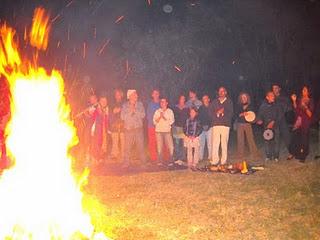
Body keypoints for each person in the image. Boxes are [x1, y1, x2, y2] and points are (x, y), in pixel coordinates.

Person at [288, 86, 314, 162]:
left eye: (305, 90)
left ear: (308, 92)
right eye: (303, 89)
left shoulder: (311, 101)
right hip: (298, 121)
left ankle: (303, 156)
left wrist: (305, 106)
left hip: (305, 122)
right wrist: (294, 101)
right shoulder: (299, 99)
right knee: (295, 137)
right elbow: (296, 109)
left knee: (304, 139)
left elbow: (310, 114)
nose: (303, 91)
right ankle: (295, 153)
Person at [121, 89, 146, 168]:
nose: (137, 96)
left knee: (141, 147)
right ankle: (126, 163)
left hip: (138, 129)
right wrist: (130, 111)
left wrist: (135, 110)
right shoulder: (125, 105)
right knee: (127, 148)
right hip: (128, 129)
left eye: (136, 94)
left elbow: (143, 115)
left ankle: (143, 163)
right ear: (130, 96)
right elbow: (122, 117)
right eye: (135, 94)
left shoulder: (140, 104)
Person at [211, 87, 233, 166]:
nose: (221, 92)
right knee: (215, 143)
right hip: (216, 124)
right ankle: (215, 160)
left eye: (223, 91)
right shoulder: (214, 102)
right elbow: (211, 112)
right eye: (220, 91)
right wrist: (217, 113)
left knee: (224, 143)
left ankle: (223, 160)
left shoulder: (229, 102)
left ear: (225, 92)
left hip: (225, 125)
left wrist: (223, 113)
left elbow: (231, 113)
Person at [256, 91, 281, 162]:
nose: (273, 97)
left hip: (275, 126)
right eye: (271, 96)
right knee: (267, 141)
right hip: (266, 127)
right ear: (267, 97)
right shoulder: (263, 106)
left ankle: (276, 156)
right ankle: (268, 156)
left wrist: (273, 121)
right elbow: (259, 116)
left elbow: (280, 115)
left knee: (276, 141)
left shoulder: (277, 105)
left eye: (273, 96)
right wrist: (259, 120)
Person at [235, 92, 259, 158]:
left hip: (248, 124)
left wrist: (253, 118)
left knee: (250, 139)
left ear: (247, 98)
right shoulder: (238, 105)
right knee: (240, 139)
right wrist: (242, 114)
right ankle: (240, 154)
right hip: (240, 124)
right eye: (242, 97)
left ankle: (254, 153)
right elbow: (236, 115)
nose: (244, 98)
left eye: (245, 97)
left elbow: (253, 115)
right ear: (240, 98)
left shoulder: (251, 105)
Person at [153, 97, 175, 166]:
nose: (162, 103)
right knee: (159, 147)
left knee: (171, 147)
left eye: (164, 101)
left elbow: (171, 121)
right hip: (159, 131)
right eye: (161, 102)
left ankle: (171, 161)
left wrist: (164, 117)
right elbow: (154, 122)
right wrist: (160, 116)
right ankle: (160, 161)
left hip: (167, 131)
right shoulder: (157, 111)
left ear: (167, 103)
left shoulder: (170, 111)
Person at [272, 84, 292, 153]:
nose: (274, 90)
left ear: (279, 89)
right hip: (274, 121)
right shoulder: (271, 98)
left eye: (276, 88)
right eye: (273, 88)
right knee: (275, 138)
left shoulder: (284, 98)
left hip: (283, 120)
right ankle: (275, 155)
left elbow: (289, 108)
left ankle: (291, 152)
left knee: (287, 137)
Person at [91, 96, 109, 163]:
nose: (104, 102)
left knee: (103, 144)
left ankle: (101, 158)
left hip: (103, 130)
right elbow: (93, 118)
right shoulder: (96, 109)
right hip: (97, 130)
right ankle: (96, 158)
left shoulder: (106, 109)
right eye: (102, 101)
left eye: (105, 101)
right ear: (100, 102)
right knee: (96, 144)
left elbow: (106, 120)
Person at [172, 95, 189, 164]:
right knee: (177, 143)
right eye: (181, 98)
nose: (182, 100)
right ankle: (177, 158)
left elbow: (188, 118)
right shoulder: (175, 108)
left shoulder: (187, 108)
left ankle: (183, 158)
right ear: (179, 99)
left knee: (184, 144)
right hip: (177, 128)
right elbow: (173, 118)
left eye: (184, 98)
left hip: (185, 128)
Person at [109, 89, 124, 161]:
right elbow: (111, 112)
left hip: (123, 125)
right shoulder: (112, 103)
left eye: (119, 94)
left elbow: (124, 112)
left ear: (121, 95)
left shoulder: (124, 103)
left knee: (123, 140)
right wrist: (114, 111)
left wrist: (119, 109)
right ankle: (115, 154)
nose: (117, 96)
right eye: (116, 94)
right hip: (114, 125)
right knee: (115, 141)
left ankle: (124, 155)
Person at [146, 89, 160, 162]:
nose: (156, 95)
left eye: (157, 93)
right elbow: (148, 116)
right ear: (152, 95)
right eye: (154, 93)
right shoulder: (150, 104)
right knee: (152, 143)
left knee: (161, 142)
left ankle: (161, 157)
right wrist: (154, 124)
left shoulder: (161, 103)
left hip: (161, 127)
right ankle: (153, 158)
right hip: (151, 126)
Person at [198, 94, 213, 161]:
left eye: (206, 98)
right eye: (203, 99)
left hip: (210, 128)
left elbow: (213, 118)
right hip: (202, 128)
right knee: (201, 143)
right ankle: (200, 157)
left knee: (210, 143)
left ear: (209, 99)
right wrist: (201, 126)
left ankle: (210, 156)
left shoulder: (212, 107)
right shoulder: (201, 108)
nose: (205, 100)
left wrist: (209, 126)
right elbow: (199, 118)